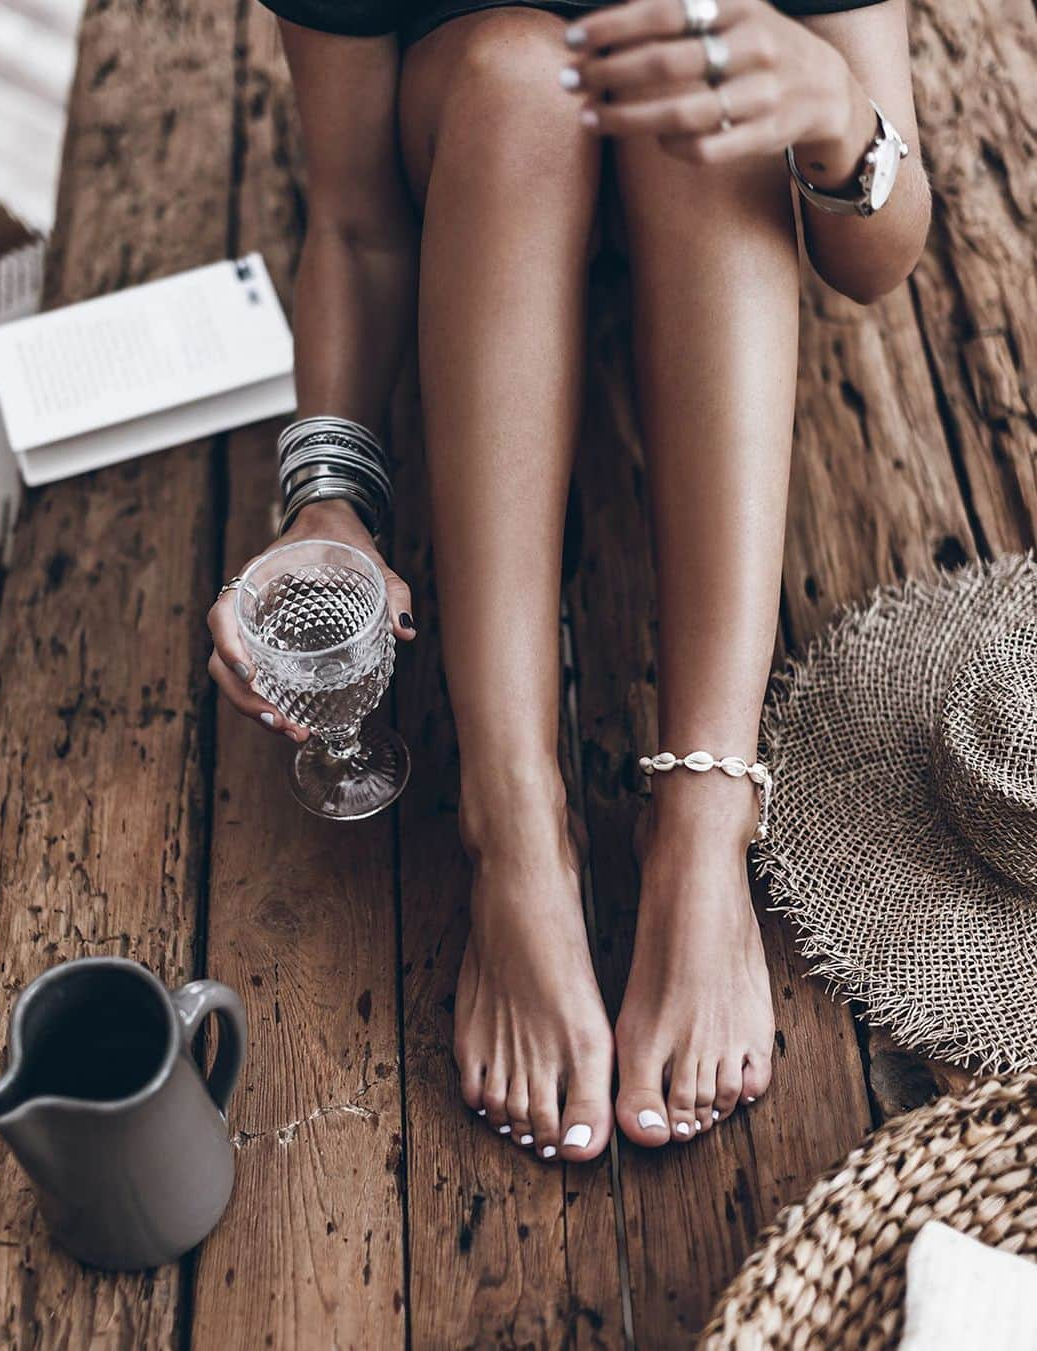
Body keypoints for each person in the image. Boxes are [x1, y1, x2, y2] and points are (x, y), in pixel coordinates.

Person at [207, 0, 930, 1164]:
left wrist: (836, 114)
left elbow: (877, 260)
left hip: (718, 229)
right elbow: (356, 226)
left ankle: (704, 828)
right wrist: (325, 497)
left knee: (696, 70)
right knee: (519, 76)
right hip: (474, 188)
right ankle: (516, 830)